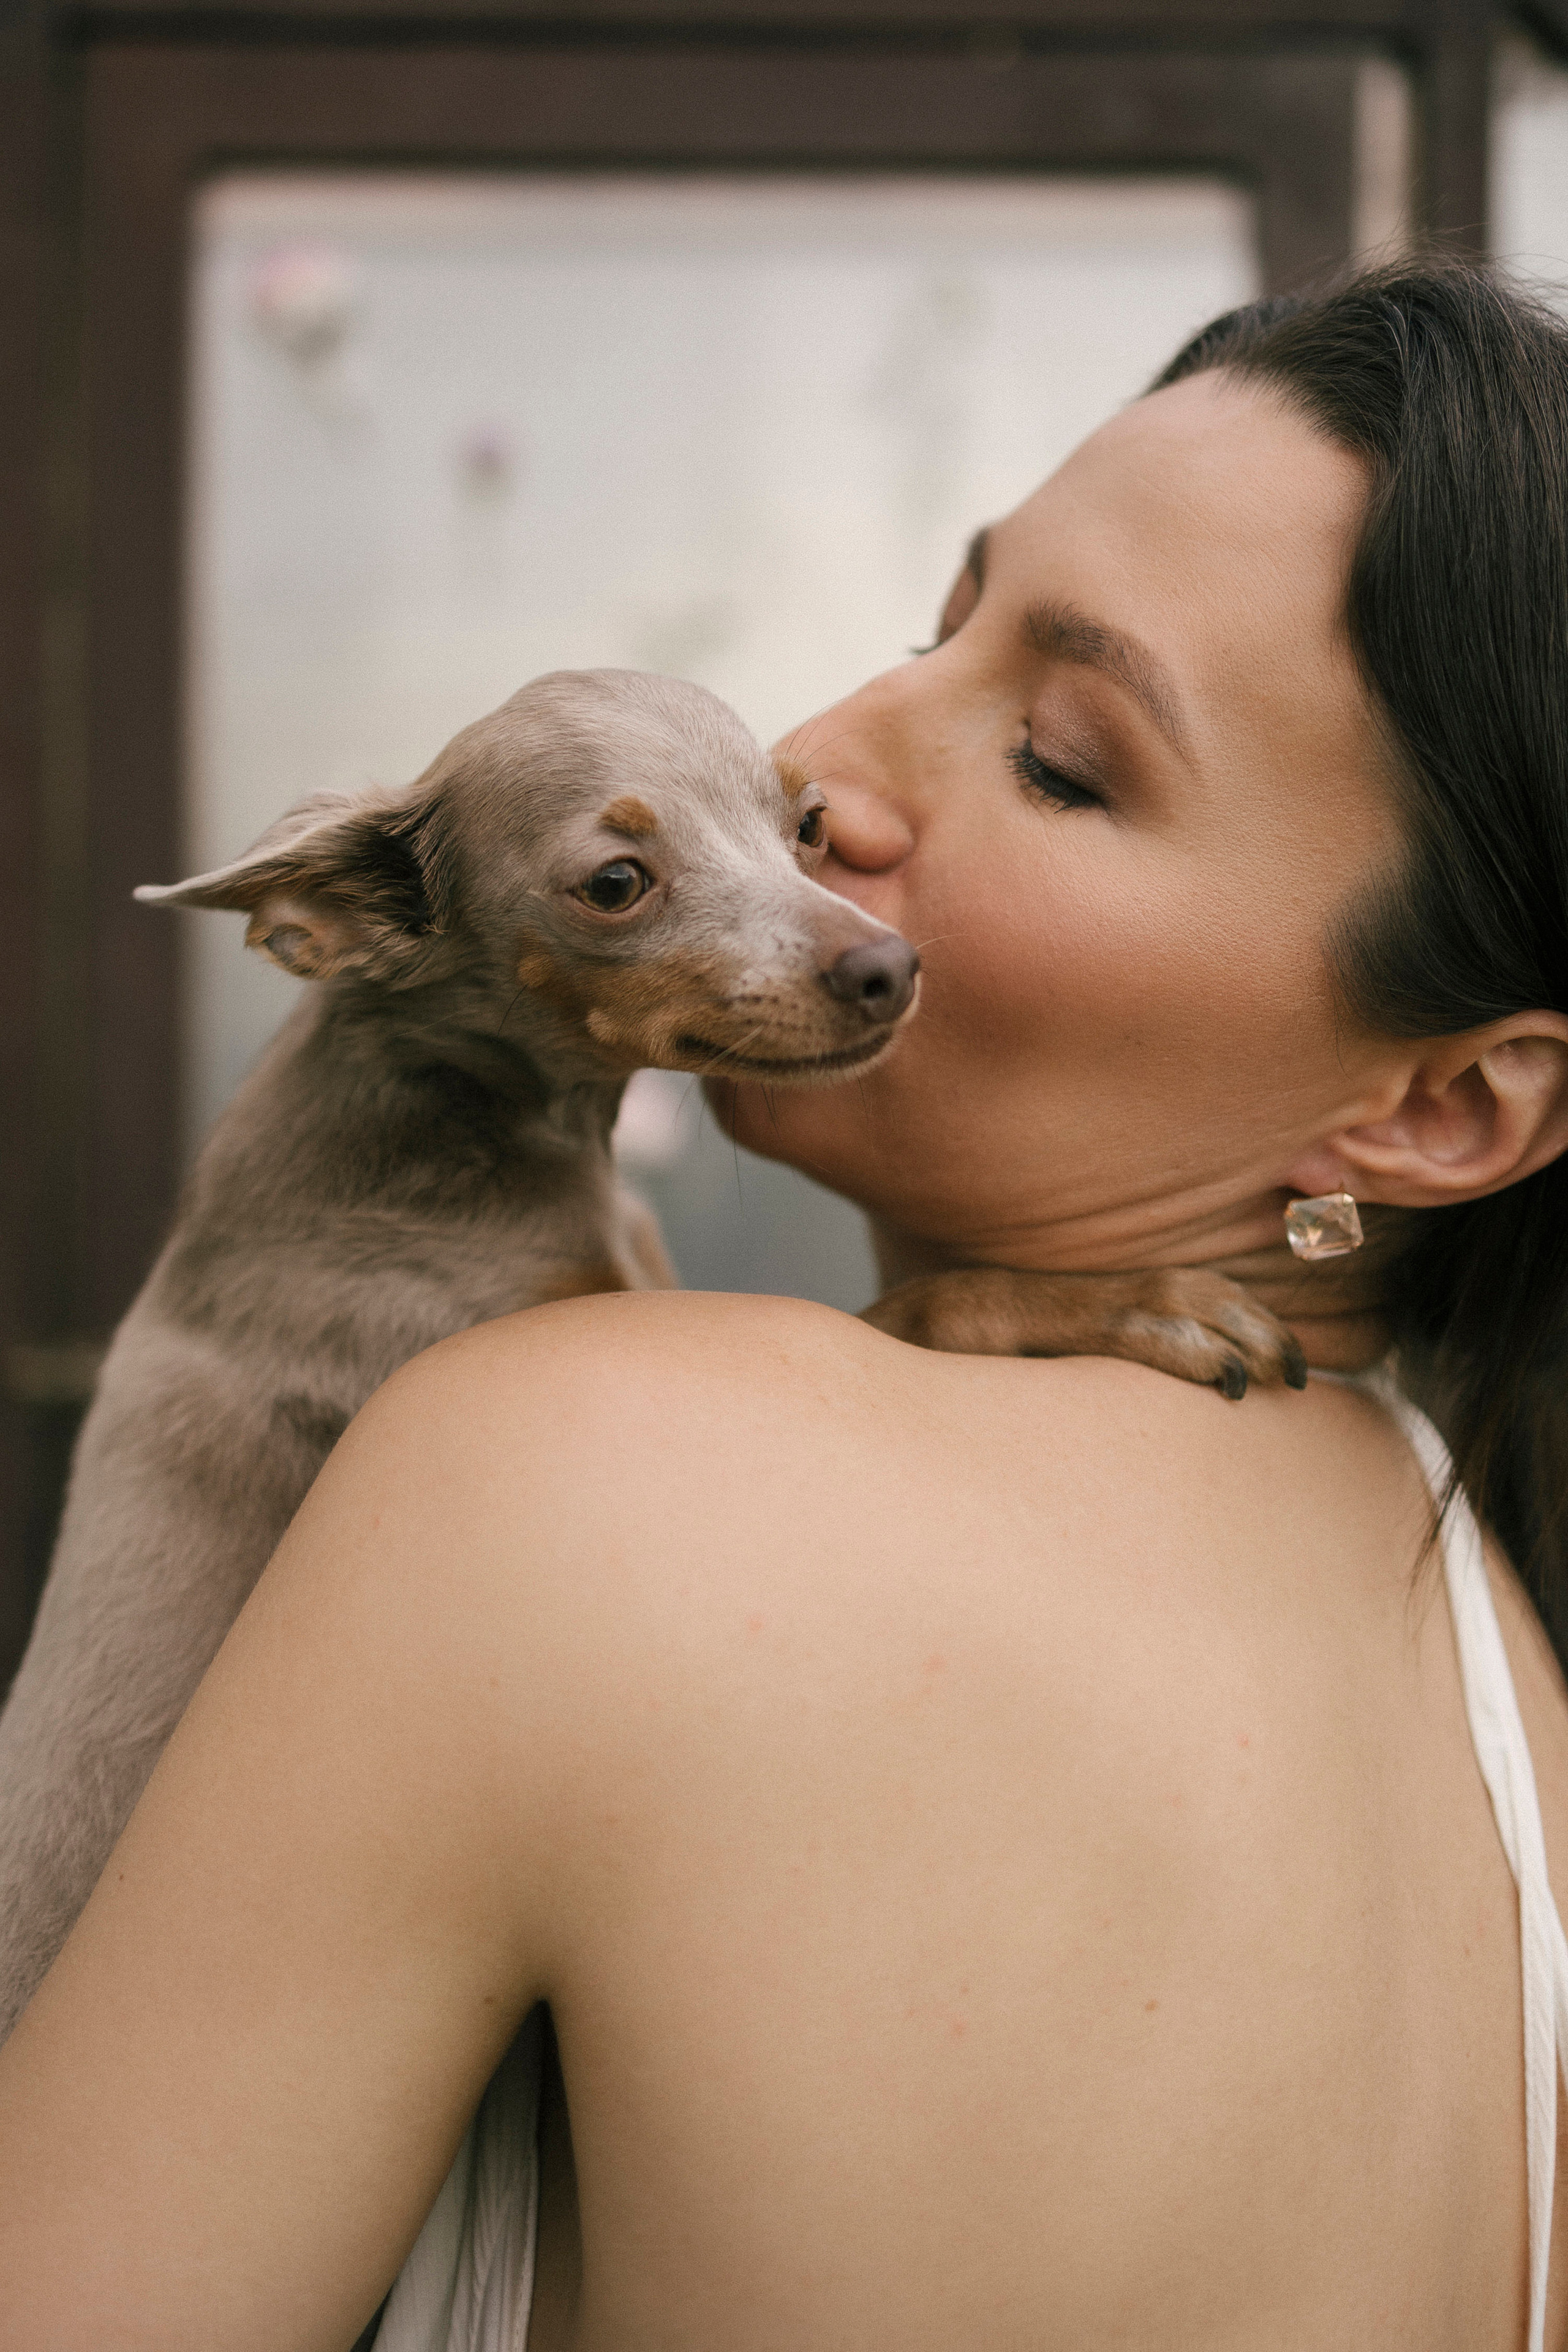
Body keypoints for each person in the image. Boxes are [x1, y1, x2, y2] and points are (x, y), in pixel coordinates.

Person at [5, 260, 1568, 2352]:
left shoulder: (563, 1459)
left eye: (1062, 762)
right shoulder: (1507, 1676)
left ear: (1443, 1108)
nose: (818, 768)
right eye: (934, 629)